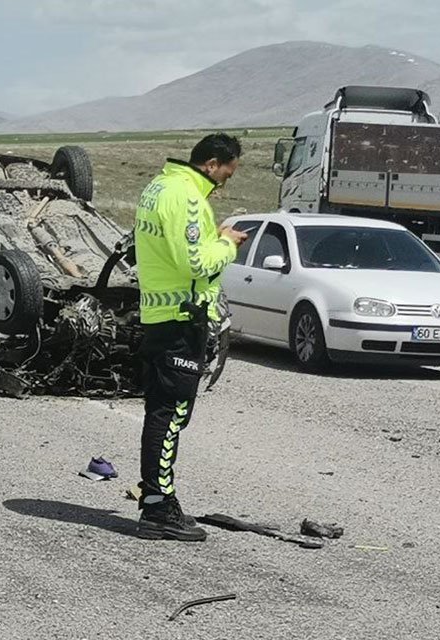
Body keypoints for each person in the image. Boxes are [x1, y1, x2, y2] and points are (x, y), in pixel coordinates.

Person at [132, 133, 249, 541]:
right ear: (212, 164)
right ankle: (158, 507)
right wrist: (227, 244)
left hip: (161, 313)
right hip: (182, 318)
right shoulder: (187, 196)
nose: (225, 184)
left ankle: (157, 500)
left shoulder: (159, 186)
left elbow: (174, 248)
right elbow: (196, 263)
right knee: (169, 414)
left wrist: (211, 235)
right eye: (226, 175)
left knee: (162, 411)